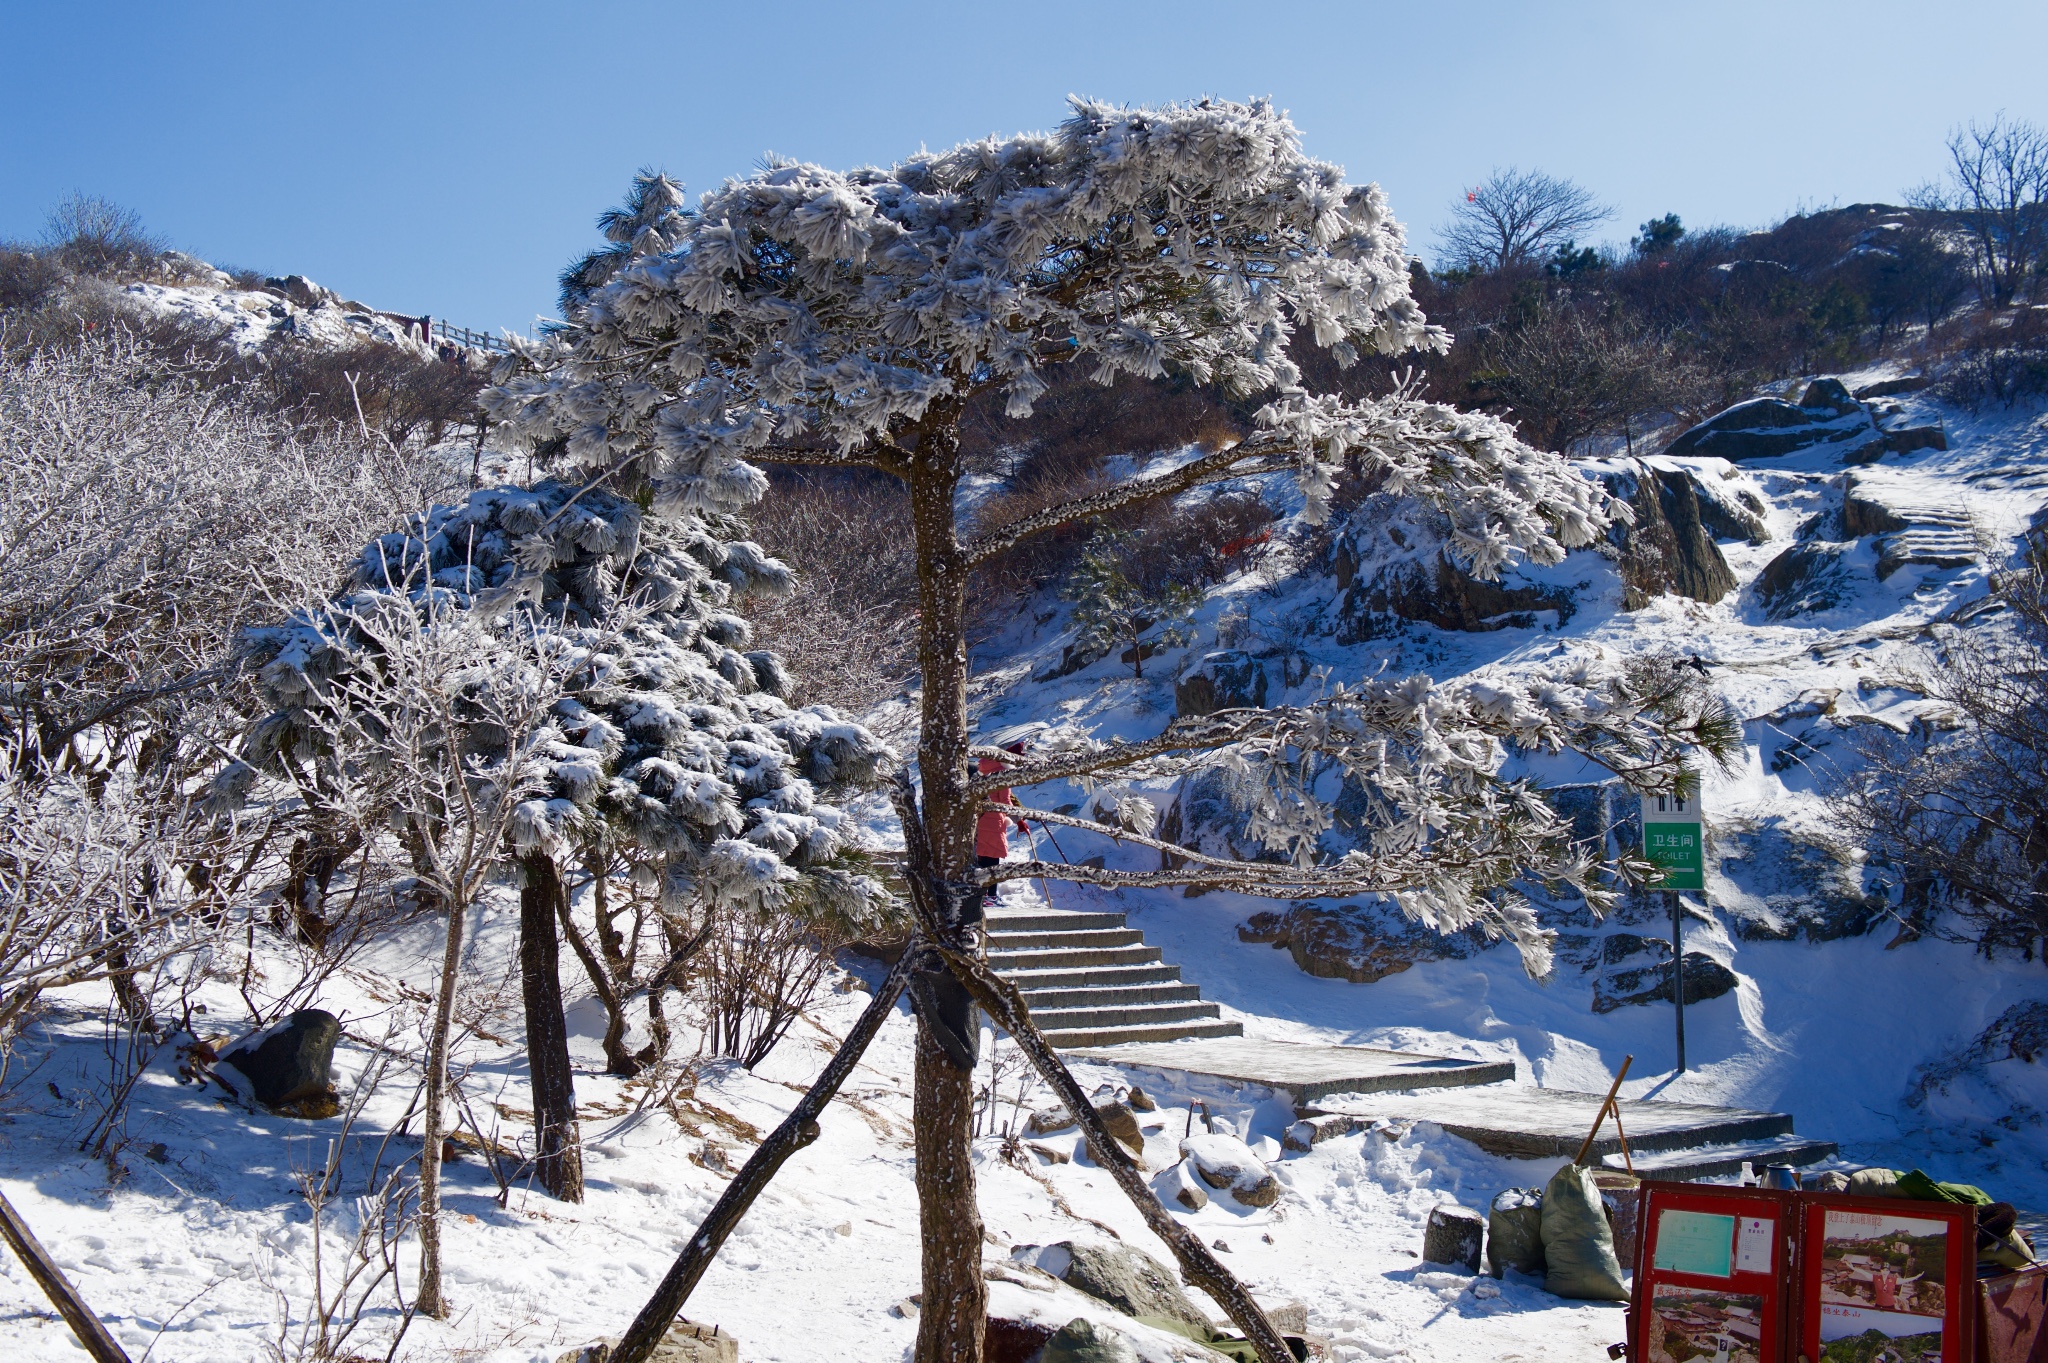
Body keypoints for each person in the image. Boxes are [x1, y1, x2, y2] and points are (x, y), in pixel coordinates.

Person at [908, 737, 1032, 1072]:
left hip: (988, 826)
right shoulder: (993, 773)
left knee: (987, 860)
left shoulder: (985, 774)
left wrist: (1016, 817)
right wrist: (1016, 818)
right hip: (989, 825)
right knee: (988, 861)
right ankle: (987, 893)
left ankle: (988, 892)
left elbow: (1007, 797)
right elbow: (1005, 796)